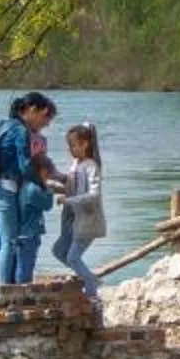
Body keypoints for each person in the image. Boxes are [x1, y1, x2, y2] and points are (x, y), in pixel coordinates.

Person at [0, 93, 57, 285]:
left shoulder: (2, 125)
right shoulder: (20, 131)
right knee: (10, 243)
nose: (46, 124)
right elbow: (24, 166)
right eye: (45, 116)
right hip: (6, 192)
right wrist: (42, 184)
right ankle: (5, 289)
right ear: (32, 109)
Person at [50, 122, 106, 301]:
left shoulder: (92, 166)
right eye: (69, 146)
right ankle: (89, 277)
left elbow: (94, 195)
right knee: (59, 251)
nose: (71, 149)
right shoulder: (76, 164)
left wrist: (69, 200)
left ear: (85, 144)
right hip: (72, 218)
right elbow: (71, 185)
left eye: (74, 145)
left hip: (87, 219)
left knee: (73, 257)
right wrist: (53, 179)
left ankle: (91, 288)